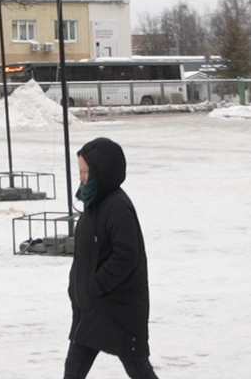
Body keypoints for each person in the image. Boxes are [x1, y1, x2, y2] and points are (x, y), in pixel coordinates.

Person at [64, 137, 160, 379]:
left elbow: (126, 255)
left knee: (138, 369)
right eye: (80, 171)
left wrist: (96, 285)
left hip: (118, 308)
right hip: (92, 308)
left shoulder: (117, 206)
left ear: (101, 171)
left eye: (86, 171)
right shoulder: (94, 204)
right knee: (73, 370)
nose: (82, 177)